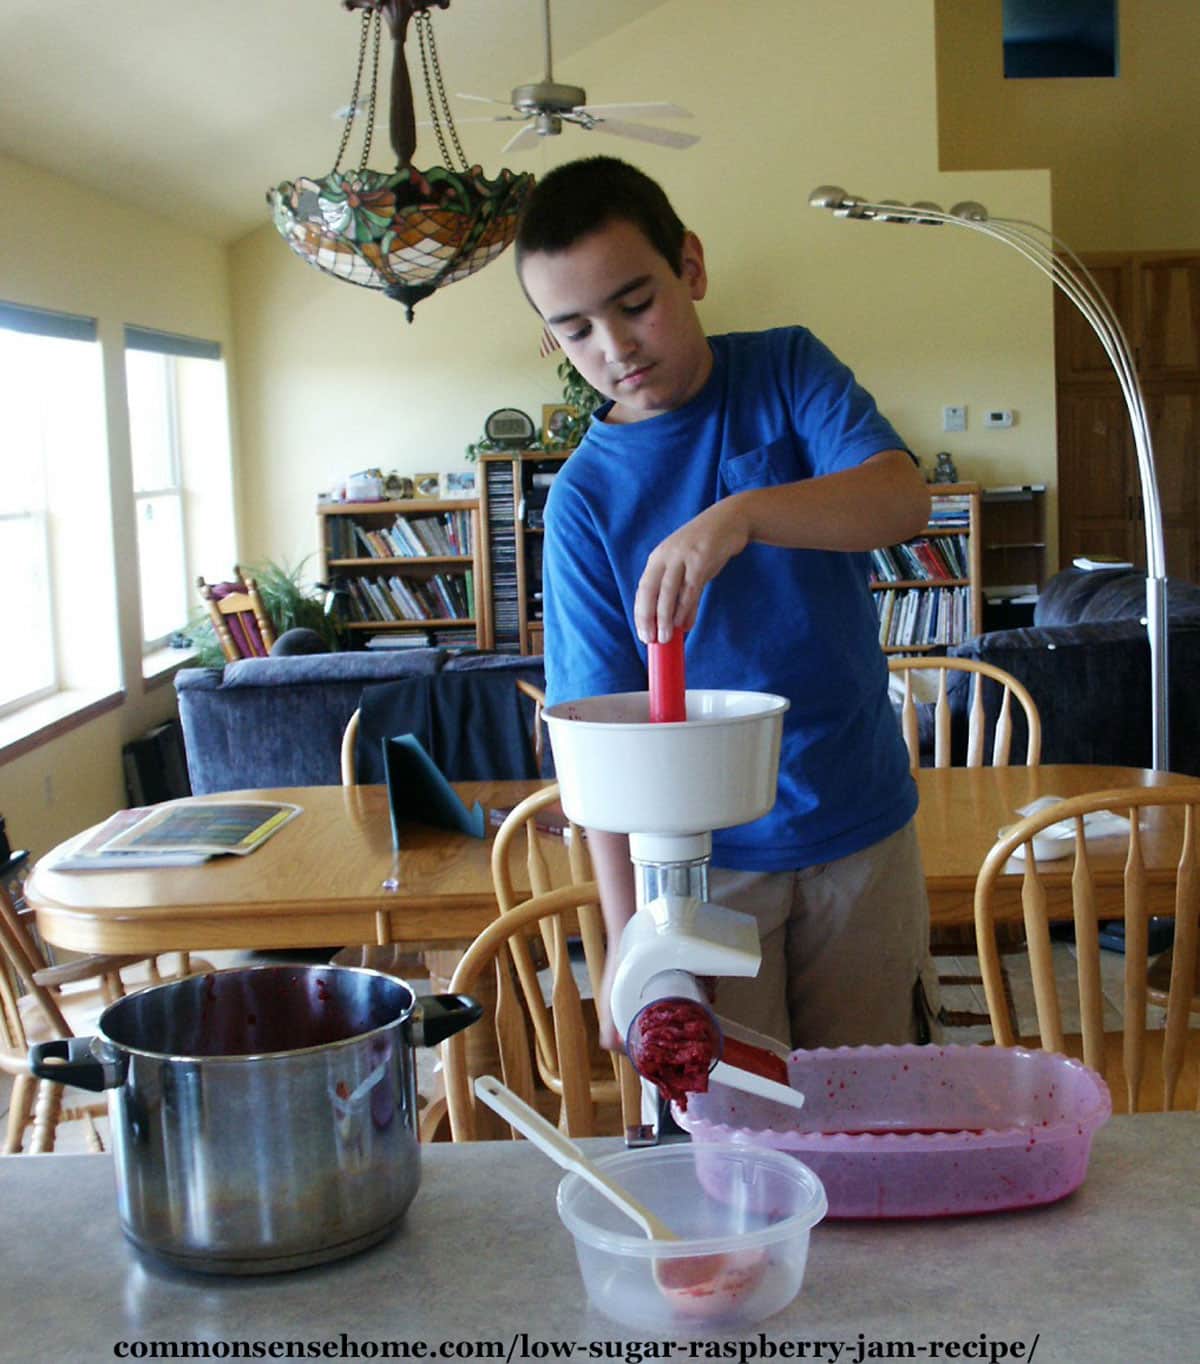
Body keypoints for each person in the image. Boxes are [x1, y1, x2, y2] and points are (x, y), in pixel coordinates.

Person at [514, 156, 940, 1053]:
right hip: (699, 871)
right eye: (577, 330)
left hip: (859, 829)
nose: (615, 348)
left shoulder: (786, 368)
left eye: (636, 305)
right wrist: (639, 952)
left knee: (870, 1112)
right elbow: (601, 751)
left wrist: (739, 516)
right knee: (739, 1131)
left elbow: (899, 499)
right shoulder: (584, 501)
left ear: (691, 268)